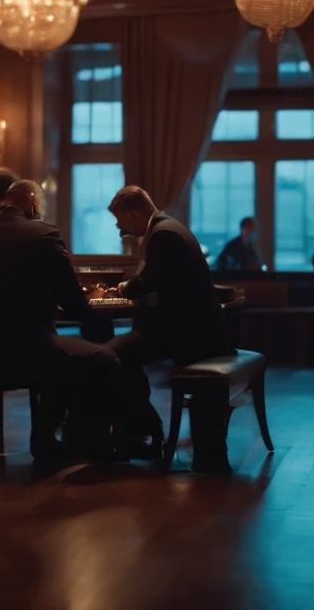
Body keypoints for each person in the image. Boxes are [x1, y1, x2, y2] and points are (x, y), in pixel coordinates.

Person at [0, 179, 120, 460]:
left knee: (65, 352)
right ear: (34, 202)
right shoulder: (44, 234)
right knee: (103, 358)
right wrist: (93, 306)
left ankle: (48, 439)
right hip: (30, 352)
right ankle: (84, 443)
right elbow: (72, 301)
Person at [106, 185, 234, 471]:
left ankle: (143, 430)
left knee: (110, 357)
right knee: (120, 354)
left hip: (187, 333)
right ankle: (140, 431)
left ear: (135, 212)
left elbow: (146, 281)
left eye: (120, 221)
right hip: (194, 327)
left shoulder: (163, 235)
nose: (119, 228)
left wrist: (124, 287)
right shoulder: (170, 227)